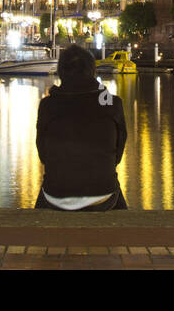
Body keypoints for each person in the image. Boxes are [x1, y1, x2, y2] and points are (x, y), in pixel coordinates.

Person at [34, 44, 127, 211]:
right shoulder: (113, 104)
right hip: (102, 194)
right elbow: (117, 156)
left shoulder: (48, 105)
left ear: (61, 71)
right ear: (92, 71)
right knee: (115, 192)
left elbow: (43, 155)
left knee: (40, 208)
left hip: (56, 195)